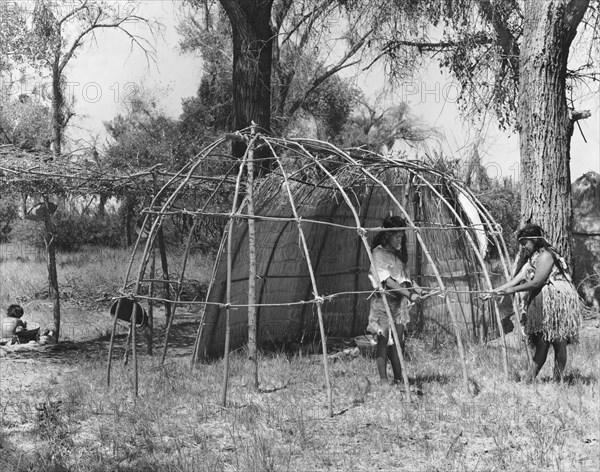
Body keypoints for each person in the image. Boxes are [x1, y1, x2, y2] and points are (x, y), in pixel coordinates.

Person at [486, 224, 582, 382]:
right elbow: (513, 282)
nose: (523, 246)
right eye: (521, 243)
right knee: (542, 343)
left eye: (525, 242)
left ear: (535, 239)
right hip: (542, 303)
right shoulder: (532, 260)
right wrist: (493, 292)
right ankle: (528, 380)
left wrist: (513, 290)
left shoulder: (546, 256)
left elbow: (537, 282)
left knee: (559, 341)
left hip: (556, 302)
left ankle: (558, 380)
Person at [367, 215, 422, 386]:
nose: (400, 239)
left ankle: (399, 377)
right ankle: (384, 380)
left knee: (398, 341)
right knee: (383, 341)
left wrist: (417, 289)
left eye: (401, 236)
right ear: (387, 236)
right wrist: (410, 294)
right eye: (397, 236)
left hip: (398, 304)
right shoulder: (378, 253)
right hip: (383, 303)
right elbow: (388, 281)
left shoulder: (397, 255)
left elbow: (404, 277)